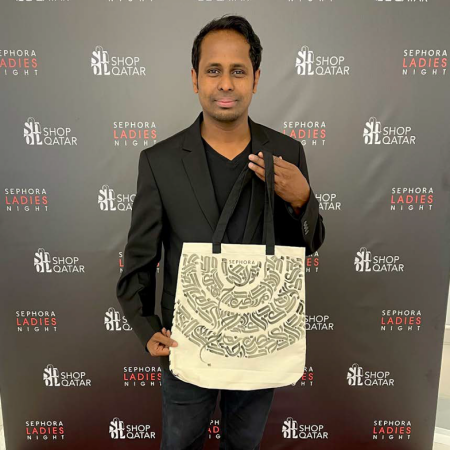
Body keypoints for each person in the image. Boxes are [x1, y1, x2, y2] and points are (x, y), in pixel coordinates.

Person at [116, 14, 325, 450]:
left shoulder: (286, 153)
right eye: (213, 70)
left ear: (256, 79)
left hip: (261, 341)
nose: (225, 83)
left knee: (244, 444)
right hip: (187, 342)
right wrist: (145, 325)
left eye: (238, 71)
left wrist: (302, 199)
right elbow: (140, 258)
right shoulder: (160, 161)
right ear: (195, 79)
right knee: (180, 443)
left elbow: (307, 245)